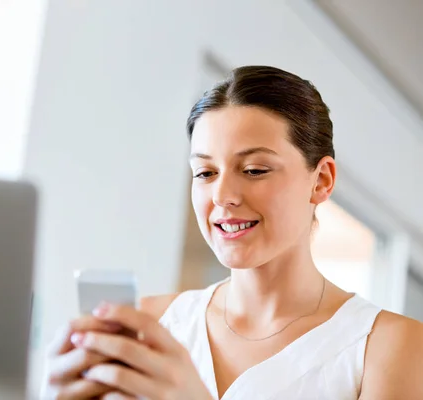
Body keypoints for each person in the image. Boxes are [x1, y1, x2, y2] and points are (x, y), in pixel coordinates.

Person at [42, 66, 423, 399]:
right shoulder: (151, 324)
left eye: (254, 170)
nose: (222, 196)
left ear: (321, 181)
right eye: (205, 173)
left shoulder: (390, 347)